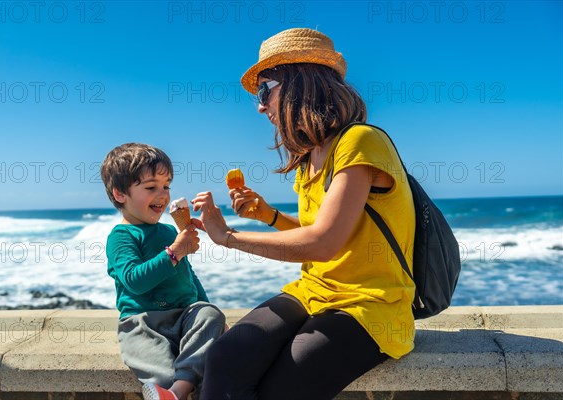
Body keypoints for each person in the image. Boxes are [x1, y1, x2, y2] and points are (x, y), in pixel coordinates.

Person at [192, 28, 416, 399]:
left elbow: (324, 243)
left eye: (265, 90)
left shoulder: (360, 141)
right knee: (225, 357)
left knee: (282, 387)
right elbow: (325, 230)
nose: (260, 106)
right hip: (314, 290)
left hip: (371, 304)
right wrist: (269, 216)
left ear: (300, 83)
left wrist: (228, 238)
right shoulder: (308, 159)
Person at [100, 143, 226, 400]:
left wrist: (210, 318)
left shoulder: (170, 232)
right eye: (151, 187)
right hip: (142, 323)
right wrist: (174, 253)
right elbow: (135, 281)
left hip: (183, 318)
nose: (163, 194)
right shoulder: (121, 236)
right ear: (120, 194)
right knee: (163, 374)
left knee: (210, 313)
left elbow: (189, 277)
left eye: (166, 186)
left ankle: (178, 391)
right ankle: (177, 388)